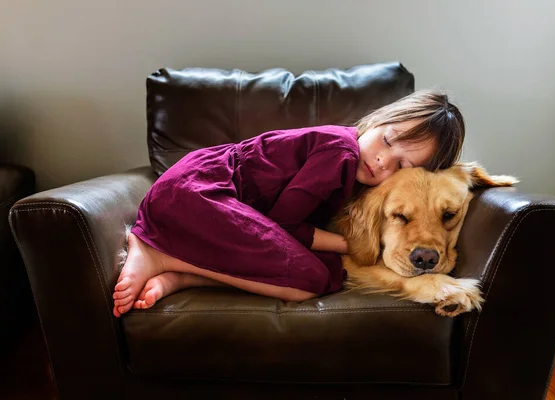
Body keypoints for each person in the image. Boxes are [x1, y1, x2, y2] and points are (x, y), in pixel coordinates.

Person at [112, 89, 465, 318]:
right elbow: (286, 226)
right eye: (388, 140)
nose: (383, 162)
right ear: (376, 121)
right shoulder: (339, 152)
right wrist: (352, 244)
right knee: (308, 279)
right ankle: (158, 253)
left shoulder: (352, 174)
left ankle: (186, 275)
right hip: (198, 192)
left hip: (205, 196)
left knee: (323, 272)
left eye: (404, 165)